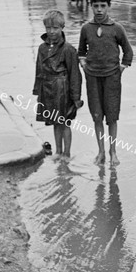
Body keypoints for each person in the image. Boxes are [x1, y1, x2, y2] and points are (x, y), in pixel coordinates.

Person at [78, 0, 133, 166]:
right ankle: (101, 152)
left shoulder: (117, 28)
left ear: (109, 6)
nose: (99, 10)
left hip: (112, 78)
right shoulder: (86, 28)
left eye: (103, 5)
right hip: (92, 78)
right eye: (96, 6)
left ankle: (113, 152)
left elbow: (128, 51)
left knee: (112, 116)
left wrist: (121, 68)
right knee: (97, 116)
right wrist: (84, 65)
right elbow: (81, 52)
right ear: (91, 6)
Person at [33, 9, 83, 160]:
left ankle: (67, 153)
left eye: (55, 28)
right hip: (48, 90)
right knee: (55, 122)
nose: (51, 31)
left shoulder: (68, 49)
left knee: (65, 122)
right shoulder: (42, 48)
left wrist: (76, 97)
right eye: (48, 28)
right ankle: (58, 151)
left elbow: (75, 74)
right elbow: (39, 69)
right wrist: (38, 91)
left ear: (62, 28)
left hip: (63, 90)